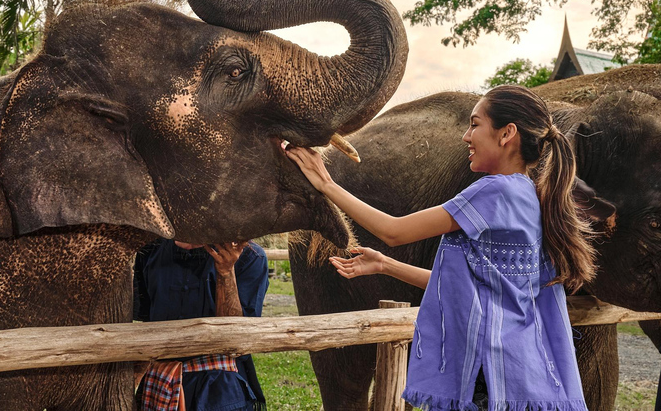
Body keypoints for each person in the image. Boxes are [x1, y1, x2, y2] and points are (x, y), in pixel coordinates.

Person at [285, 85, 593, 411]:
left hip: (486, 376)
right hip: (517, 375)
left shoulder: (494, 191)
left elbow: (394, 230)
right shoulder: (528, 195)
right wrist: (385, 265)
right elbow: (471, 287)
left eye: (475, 124)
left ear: (507, 134)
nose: (466, 136)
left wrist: (325, 183)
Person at [133, 238, 269, 411]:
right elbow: (146, 323)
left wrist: (226, 272)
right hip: (160, 382)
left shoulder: (250, 256)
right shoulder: (150, 250)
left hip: (220, 390)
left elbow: (236, 339)